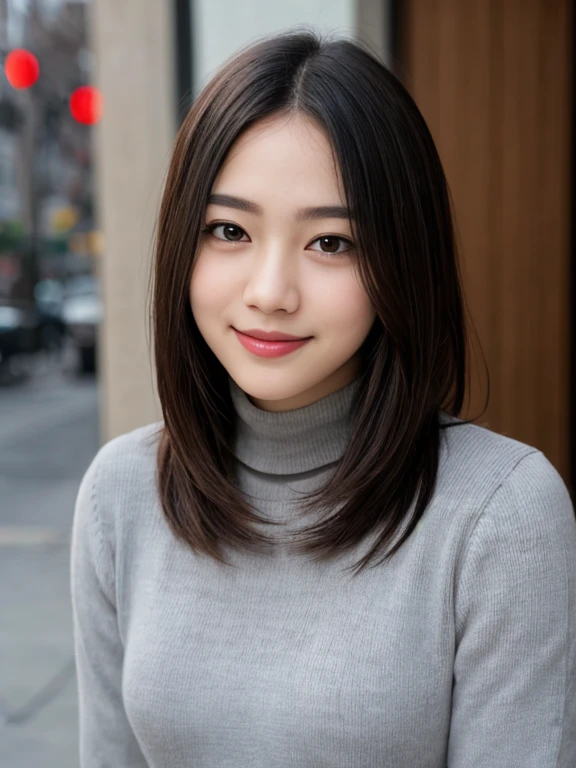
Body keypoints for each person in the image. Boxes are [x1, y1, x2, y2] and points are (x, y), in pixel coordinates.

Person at [70, 28, 576, 768]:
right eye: (229, 230)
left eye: (331, 243)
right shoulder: (121, 494)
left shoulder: (499, 515)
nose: (270, 293)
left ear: (401, 260)